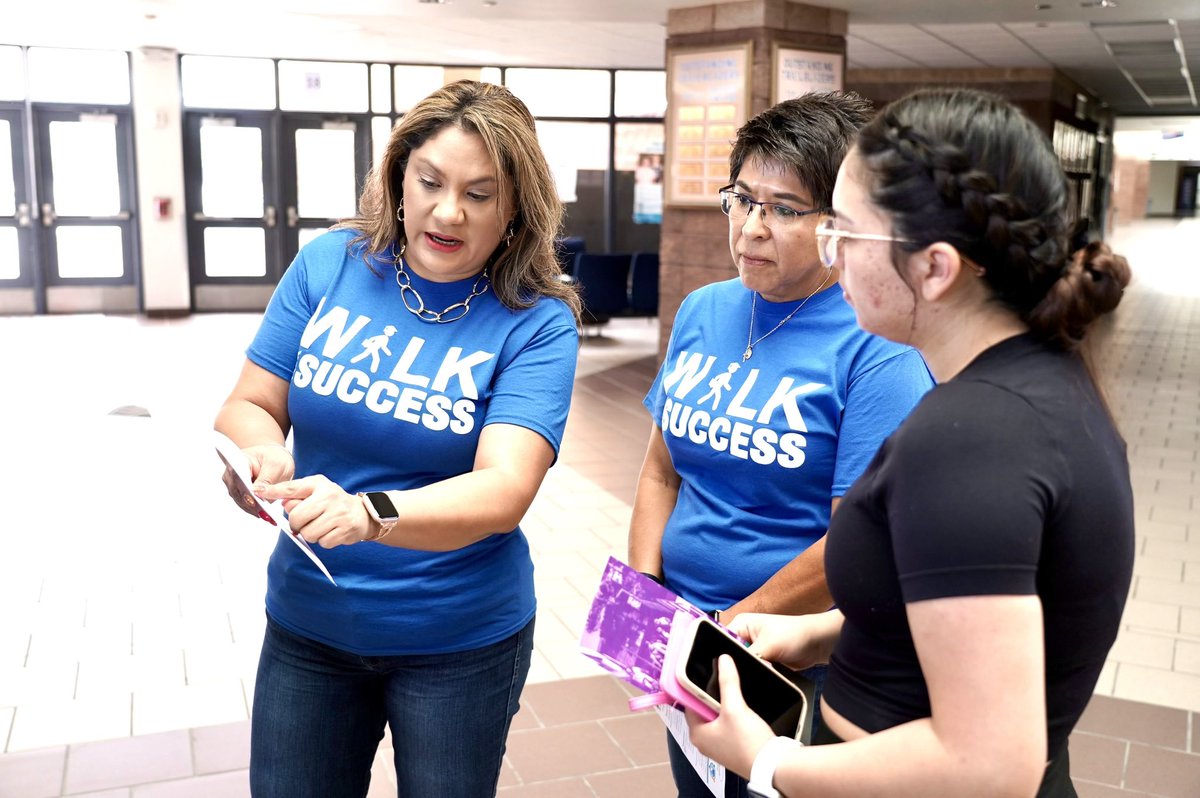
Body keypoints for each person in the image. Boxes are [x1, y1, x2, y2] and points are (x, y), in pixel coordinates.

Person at [686, 87, 1134, 798]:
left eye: (847, 232)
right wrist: (822, 633)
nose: (832, 255)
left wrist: (766, 762)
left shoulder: (969, 442)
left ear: (936, 268)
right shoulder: (1047, 382)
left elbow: (991, 764)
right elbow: (977, 605)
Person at [214, 79, 581, 798]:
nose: (449, 211)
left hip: (458, 641)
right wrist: (257, 453)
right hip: (309, 626)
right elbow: (251, 401)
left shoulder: (536, 322)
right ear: (398, 179)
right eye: (431, 182)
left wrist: (370, 513)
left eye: (481, 193)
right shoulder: (332, 263)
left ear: (515, 208)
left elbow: (505, 489)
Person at [627, 91, 934, 798]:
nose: (751, 228)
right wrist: (646, 604)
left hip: (796, 656)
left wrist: (730, 628)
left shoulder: (875, 345)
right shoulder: (705, 309)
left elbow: (857, 537)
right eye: (741, 199)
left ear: (840, 224)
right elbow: (660, 473)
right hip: (689, 638)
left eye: (784, 209)